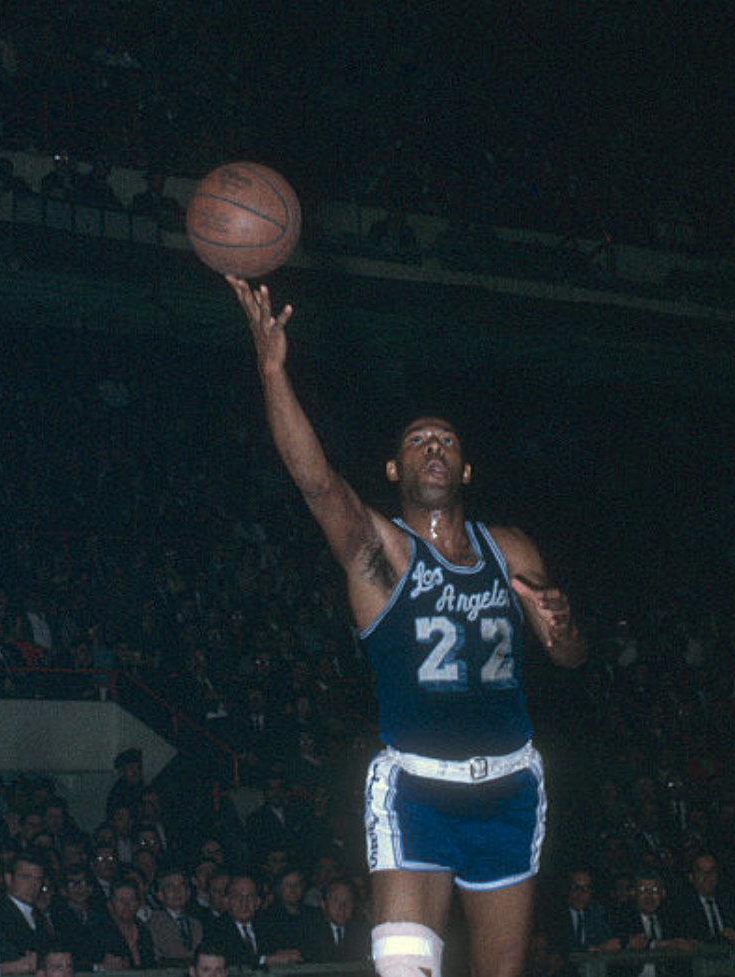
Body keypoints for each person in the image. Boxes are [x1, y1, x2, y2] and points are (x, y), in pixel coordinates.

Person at [227, 276, 586, 977]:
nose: (432, 446)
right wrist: (273, 370)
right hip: (417, 789)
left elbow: (570, 657)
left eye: (445, 440)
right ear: (394, 466)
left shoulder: (512, 548)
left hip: (511, 787)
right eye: (418, 439)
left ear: (465, 466)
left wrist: (565, 627)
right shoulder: (380, 554)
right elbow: (317, 482)